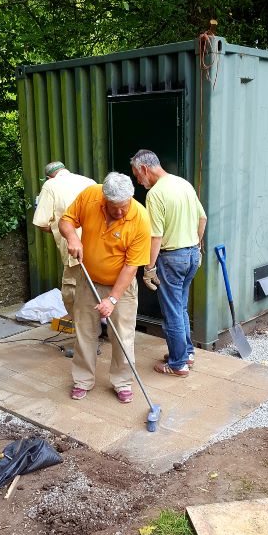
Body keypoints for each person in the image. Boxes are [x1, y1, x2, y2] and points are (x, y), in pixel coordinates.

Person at [59, 172, 151, 403]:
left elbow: (132, 266)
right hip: (88, 280)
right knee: (85, 331)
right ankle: (82, 380)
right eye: (114, 207)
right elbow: (65, 221)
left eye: (124, 206)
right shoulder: (90, 196)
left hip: (122, 286)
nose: (120, 212)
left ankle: (122, 382)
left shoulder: (140, 218)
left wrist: (112, 299)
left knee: (122, 335)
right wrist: (72, 237)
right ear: (104, 198)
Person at [130, 149, 207, 377]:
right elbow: (202, 218)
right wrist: (197, 245)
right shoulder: (183, 184)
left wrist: (149, 268)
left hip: (171, 258)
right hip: (192, 254)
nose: (138, 180)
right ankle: (186, 353)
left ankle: (177, 364)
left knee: (172, 311)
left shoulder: (155, 194)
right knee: (180, 307)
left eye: (136, 175)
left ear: (144, 169)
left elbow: (156, 236)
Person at [32, 161, 95, 316]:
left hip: (74, 248)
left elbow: (41, 222)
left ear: (48, 177)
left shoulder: (50, 185)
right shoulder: (89, 181)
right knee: (97, 286)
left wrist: (57, 230)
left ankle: (85, 330)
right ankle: (100, 325)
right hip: (98, 244)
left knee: (72, 291)